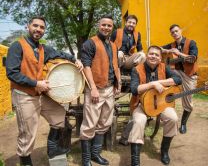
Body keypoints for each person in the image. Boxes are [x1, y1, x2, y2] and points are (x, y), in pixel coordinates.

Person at [6, 16, 83, 166]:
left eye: (42, 27)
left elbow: (60, 53)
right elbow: (12, 73)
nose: (38, 29)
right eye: (35, 26)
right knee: (28, 132)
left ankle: (52, 149)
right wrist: (35, 83)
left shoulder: (43, 48)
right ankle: (26, 162)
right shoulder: (17, 46)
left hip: (40, 94)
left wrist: (75, 60)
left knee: (59, 115)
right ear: (28, 26)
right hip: (24, 95)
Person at [129, 46, 182, 166]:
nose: (153, 56)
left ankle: (164, 151)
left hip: (160, 105)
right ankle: (135, 160)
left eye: (157, 55)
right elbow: (134, 89)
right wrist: (152, 84)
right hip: (140, 104)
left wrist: (159, 82)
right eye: (151, 54)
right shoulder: (136, 69)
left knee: (173, 118)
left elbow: (178, 80)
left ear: (160, 59)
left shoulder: (164, 67)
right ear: (147, 55)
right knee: (139, 121)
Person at [80, 15, 121, 166]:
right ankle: (85, 160)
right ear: (99, 25)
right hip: (95, 89)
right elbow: (86, 66)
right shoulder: (90, 43)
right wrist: (92, 89)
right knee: (89, 124)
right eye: (103, 25)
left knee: (105, 122)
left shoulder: (113, 45)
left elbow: (115, 65)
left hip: (110, 89)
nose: (106, 28)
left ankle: (95, 154)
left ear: (112, 27)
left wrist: (118, 83)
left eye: (109, 26)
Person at [162, 24, 198, 134]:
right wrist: (166, 51)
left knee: (188, 101)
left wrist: (178, 53)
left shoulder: (191, 43)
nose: (175, 33)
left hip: (189, 75)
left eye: (176, 31)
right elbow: (159, 48)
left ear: (180, 31)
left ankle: (183, 124)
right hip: (177, 72)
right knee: (163, 70)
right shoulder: (172, 45)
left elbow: (192, 59)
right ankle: (164, 98)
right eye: (172, 32)